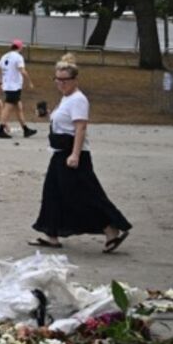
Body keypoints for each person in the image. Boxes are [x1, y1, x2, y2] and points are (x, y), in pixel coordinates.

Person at [29, 60, 131, 253]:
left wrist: (75, 154)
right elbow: (65, 121)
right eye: (57, 79)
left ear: (74, 80)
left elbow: (80, 127)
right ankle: (51, 234)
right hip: (59, 153)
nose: (60, 83)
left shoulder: (78, 99)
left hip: (73, 154)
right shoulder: (66, 98)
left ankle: (111, 228)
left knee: (82, 195)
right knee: (52, 192)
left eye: (64, 80)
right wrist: (48, 115)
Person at [0, 39, 37, 139]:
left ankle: (26, 129)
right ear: (20, 47)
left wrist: (0, 79)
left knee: (19, 108)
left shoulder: (5, 55)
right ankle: (0, 130)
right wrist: (29, 81)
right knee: (7, 108)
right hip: (14, 87)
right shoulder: (18, 57)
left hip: (8, 85)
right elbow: (22, 71)